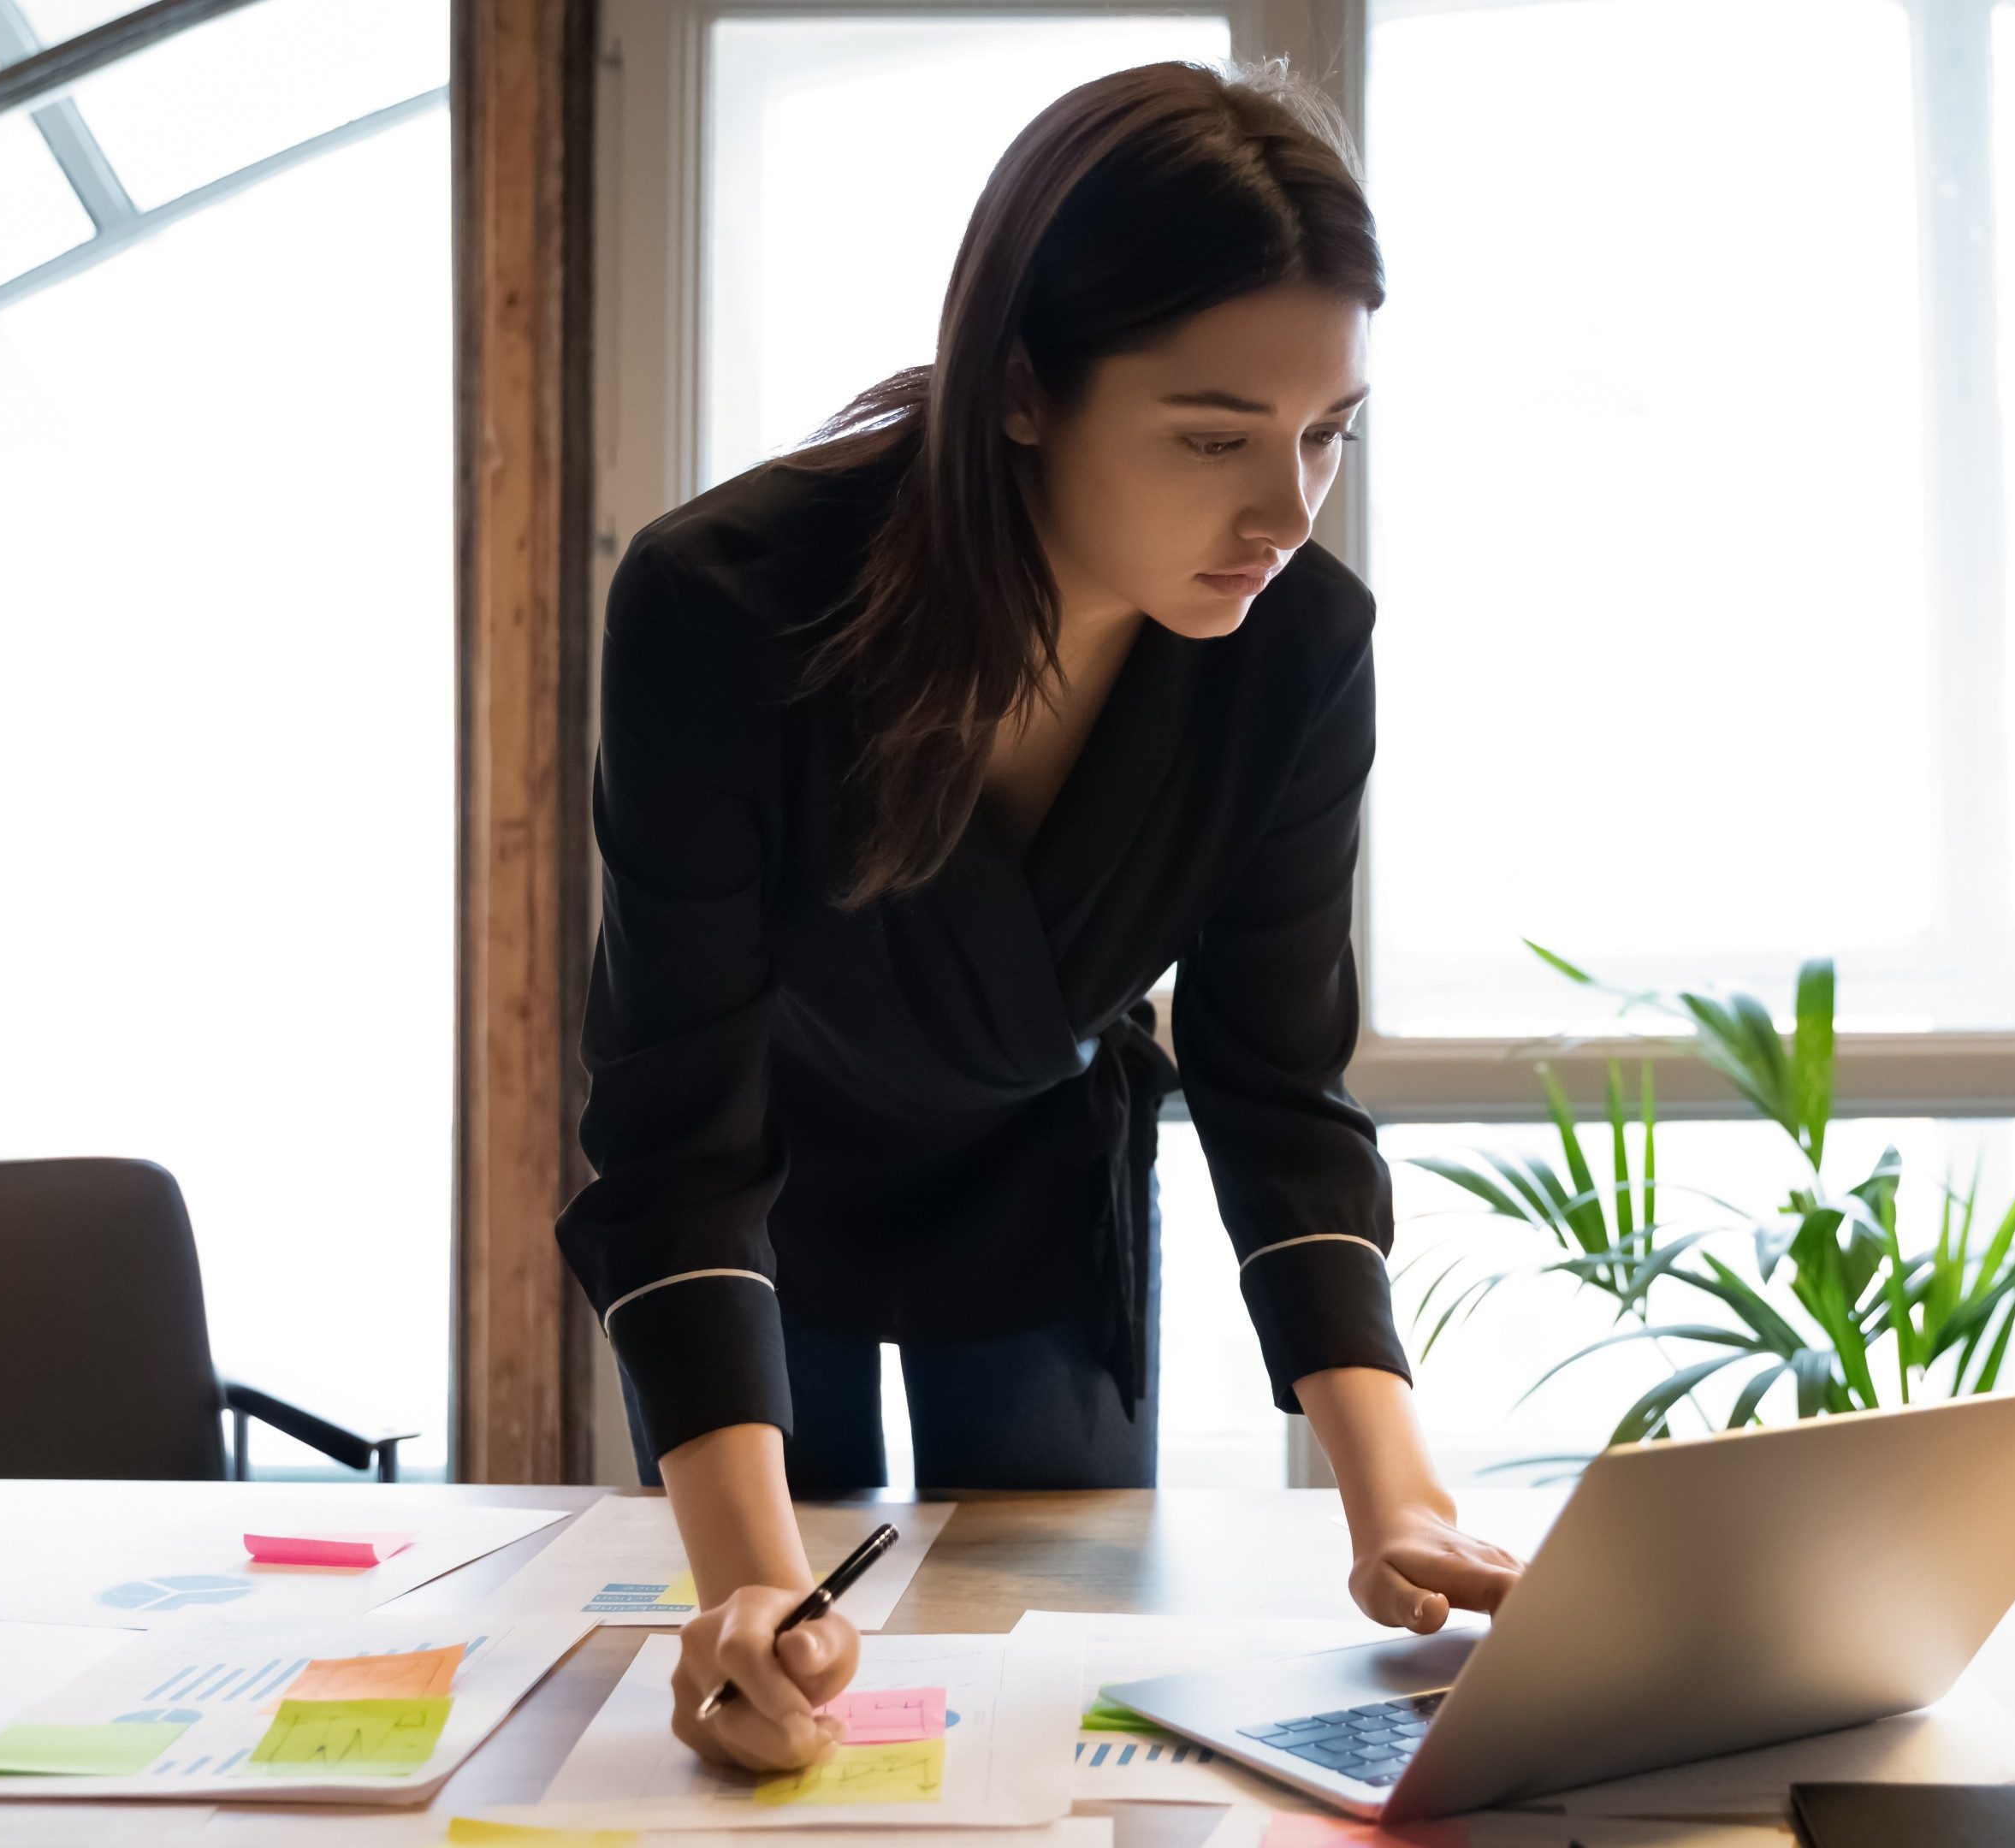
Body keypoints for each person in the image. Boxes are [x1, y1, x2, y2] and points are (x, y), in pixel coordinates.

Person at [554, 59, 1523, 1774]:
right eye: (1216, 435)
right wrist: (750, 1614)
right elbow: (675, 1131)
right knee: (786, 1681)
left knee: (1050, 1696)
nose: (1288, 512)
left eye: (1328, 434)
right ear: (1019, 392)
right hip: (756, 1196)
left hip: (1037, 1180)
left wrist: (1402, 1500)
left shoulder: (1301, 650)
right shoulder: (723, 605)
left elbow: (1275, 1082)